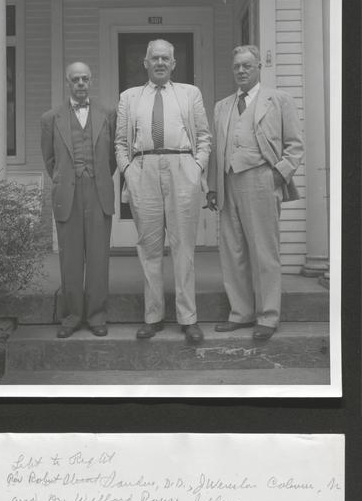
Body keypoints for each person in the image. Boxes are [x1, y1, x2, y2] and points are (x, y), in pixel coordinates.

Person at [115, 39, 211, 344]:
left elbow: (205, 136)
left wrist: (196, 169)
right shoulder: (129, 97)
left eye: (165, 59)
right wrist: (129, 171)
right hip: (143, 168)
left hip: (182, 166)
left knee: (184, 248)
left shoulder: (189, 93)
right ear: (145, 63)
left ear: (173, 64)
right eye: (154, 58)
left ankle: (188, 318)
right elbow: (120, 142)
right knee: (149, 247)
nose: (159, 63)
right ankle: (153, 317)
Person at [206, 45, 304, 341]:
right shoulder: (222, 106)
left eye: (247, 65)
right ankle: (241, 312)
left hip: (262, 179)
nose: (241, 71)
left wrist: (278, 173)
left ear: (259, 66)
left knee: (264, 250)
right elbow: (215, 152)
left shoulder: (278, 100)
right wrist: (212, 186)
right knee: (233, 250)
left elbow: (295, 145)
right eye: (237, 66)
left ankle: (268, 316)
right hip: (228, 183)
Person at [41, 62, 116, 338]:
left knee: (98, 257)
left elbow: (111, 160)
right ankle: (71, 316)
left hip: (98, 192)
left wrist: (94, 177)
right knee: (70, 258)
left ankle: (97, 315)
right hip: (67, 194)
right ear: (68, 82)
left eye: (85, 78)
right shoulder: (51, 118)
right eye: (76, 79)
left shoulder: (107, 114)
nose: (81, 83)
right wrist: (69, 179)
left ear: (92, 80)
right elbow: (50, 160)